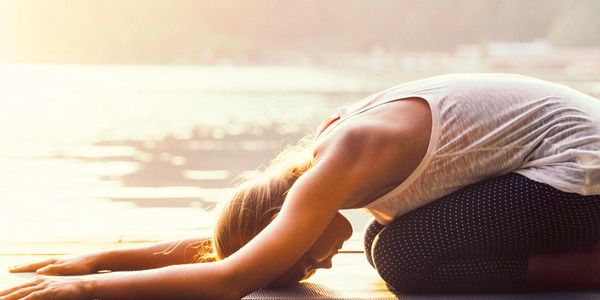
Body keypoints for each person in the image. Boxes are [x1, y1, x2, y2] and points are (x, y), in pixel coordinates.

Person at [2, 73, 600, 299]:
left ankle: (589, 267)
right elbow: (242, 246)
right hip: (559, 169)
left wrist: (81, 295)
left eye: (306, 263)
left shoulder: (344, 155)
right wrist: (105, 259)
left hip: (581, 168)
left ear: (284, 220)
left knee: (405, 258)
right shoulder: (314, 172)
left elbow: (235, 276)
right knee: (383, 246)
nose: (324, 263)